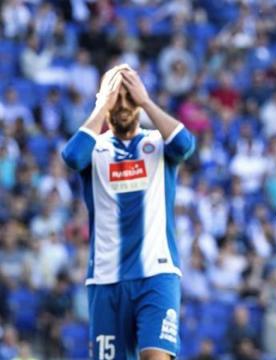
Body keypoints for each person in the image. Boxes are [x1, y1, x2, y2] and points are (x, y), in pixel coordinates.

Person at [61, 64, 195, 360]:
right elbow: (70, 157)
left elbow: (185, 145)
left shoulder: (156, 143)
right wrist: (101, 106)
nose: (122, 105)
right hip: (106, 278)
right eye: (115, 98)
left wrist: (146, 101)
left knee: (154, 356)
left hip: (157, 273)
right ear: (103, 99)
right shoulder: (93, 149)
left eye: (128, 98)